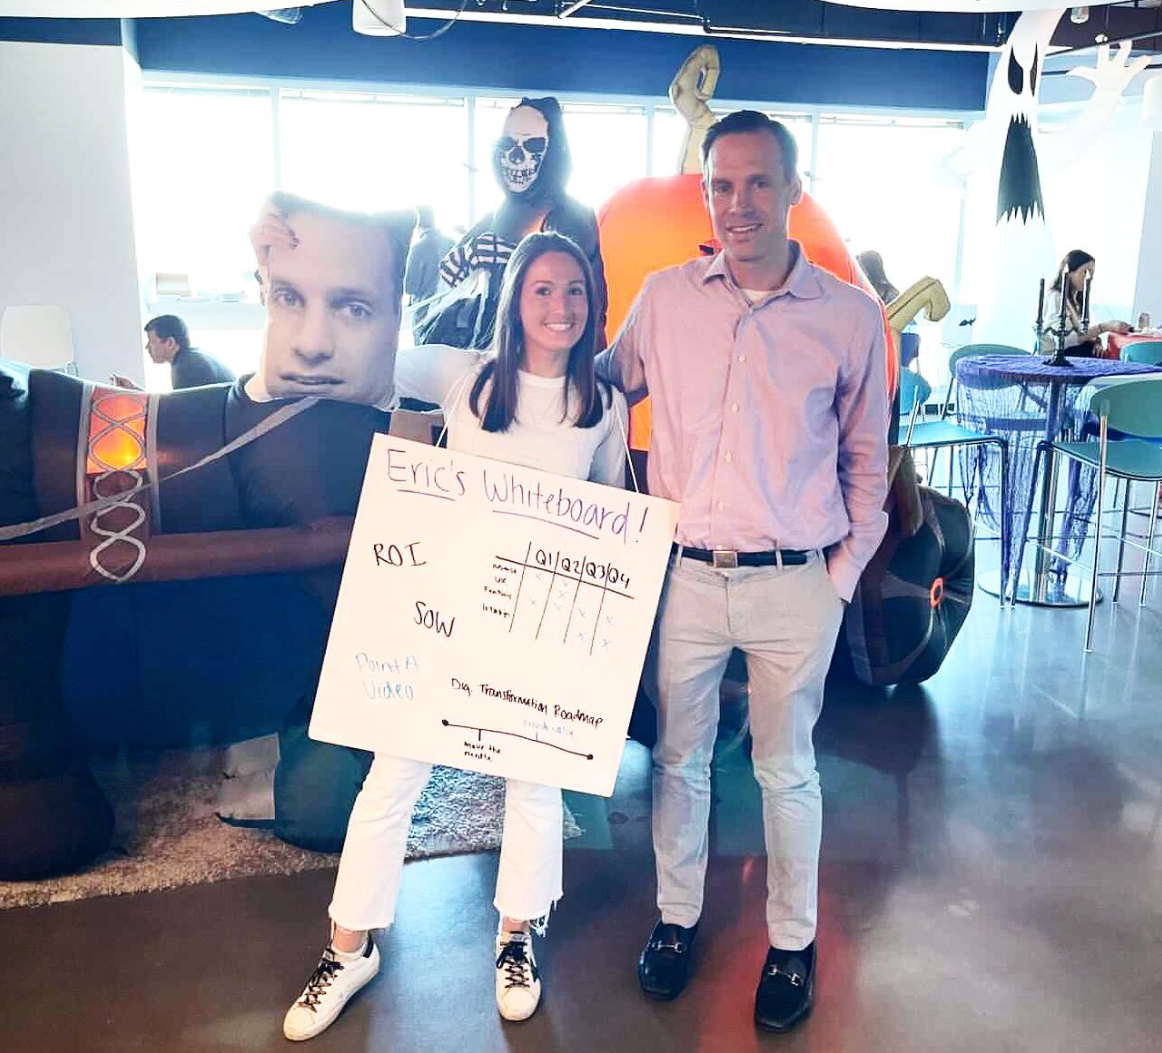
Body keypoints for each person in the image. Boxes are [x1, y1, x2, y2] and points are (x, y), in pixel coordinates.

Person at [280, 231, 629, 1042]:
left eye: (574, 291)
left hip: (537, 628)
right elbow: (365, 364)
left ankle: (517, 936)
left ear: (592, 302)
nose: (560, 307)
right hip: (443, 615)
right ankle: (350, 945)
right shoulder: (461, 377)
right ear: (514, 300)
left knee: (533, 788)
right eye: (541, 290)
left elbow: (612, 519)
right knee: (393, 776)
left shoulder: (602, 405)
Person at [597, 110, 889, 1032]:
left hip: (795, 582)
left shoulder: (847, 317)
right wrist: (491, 382)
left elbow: (868, 465)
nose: (738, 204)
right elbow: (599, 390)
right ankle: (677, 922)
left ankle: (793, 942)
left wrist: (836, 579)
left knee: (785, 770)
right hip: (685, 576)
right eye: (722, 185)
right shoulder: (665, 298)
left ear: (794, 190)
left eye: (759, 183)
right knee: (679, 761)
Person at [416, 97, 607, 352]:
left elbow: (568, 296)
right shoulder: (498, 214)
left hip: (553, 360)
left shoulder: (570, 217)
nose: (516, 157)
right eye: (508, 144)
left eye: (533, 145)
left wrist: (510, 258)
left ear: (552, 152)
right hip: (497, 355)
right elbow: (448, 274)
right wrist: (470, 257)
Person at [245, 193, 412, 405]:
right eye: (289, 299)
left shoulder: (429, 425)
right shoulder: (209, 417)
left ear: (396, 317)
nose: (311, 346)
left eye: (354, 310)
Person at [1039, 249, 1131, 357]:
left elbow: (1082, 332)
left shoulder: (1075, 300)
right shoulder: (1055, 298)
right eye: (1085, 272)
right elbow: (1066, 340)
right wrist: (1104, 327)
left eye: (1092, 273)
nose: (1089, 278)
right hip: (1056, 356)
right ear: (1069, 273)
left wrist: (1096, 343)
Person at [112, 315, 234, 390]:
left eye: (151, 342)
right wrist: (134, 390)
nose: (147, 347)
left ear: (170, 342)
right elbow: (173, 405)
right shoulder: (192, 358)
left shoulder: (185, 367)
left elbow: (176, 412)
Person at [402, 205, 454, 331]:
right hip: (451, 311)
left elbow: (410, 287)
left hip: (426, 316)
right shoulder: (452, 242)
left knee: (425, 350)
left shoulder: (419, 248)